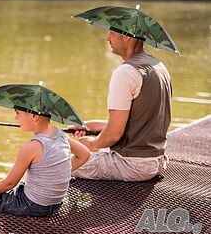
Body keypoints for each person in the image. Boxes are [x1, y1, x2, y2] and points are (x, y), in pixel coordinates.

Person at [71, 30, 171, 182]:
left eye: (112, 33)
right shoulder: (159, 66)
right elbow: (144, 121)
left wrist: (92, 144)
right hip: (156, 161)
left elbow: (113, 135)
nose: (107, 38)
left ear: (127, 37)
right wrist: (93, 125)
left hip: (131, 165)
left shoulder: (125, 73)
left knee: (56, 164)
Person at [0, 108, 90, 217]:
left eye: (18, 113)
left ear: (34, 116)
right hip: (55, 205)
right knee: (10, 193)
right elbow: (85, 154)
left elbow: (9, 183)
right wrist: (56, 173)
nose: (16, 117)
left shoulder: (31, 147)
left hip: (33, 206)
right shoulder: (61, 135)